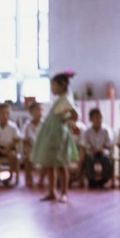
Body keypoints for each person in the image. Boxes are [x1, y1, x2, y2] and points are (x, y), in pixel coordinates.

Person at [32, 71, 79, 203]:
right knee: (50, 164)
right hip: (51, 134)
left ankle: (64, 192)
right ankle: (51, 191)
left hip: (59, 135)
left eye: (53, 86)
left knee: (61, 164)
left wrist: (67, 122)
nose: (52, 89)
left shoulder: (66, 99)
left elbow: (75, 115)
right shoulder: (59, 99)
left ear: (62, 85)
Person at [0, 102, 21, 187]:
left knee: (13, 156)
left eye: (7, 113)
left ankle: (10, 175)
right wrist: (1, 150)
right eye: (2, 113)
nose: (5, 116)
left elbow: (17, 139)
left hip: (10, 147)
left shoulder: (13, 127)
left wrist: (7, 149)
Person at [80, 108, 114, 188]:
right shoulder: (87, 131)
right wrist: (91, 149)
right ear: (91, 119)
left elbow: (109, 143)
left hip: (103, 151)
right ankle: (91, 180)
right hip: (92, 151)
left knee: (106, 159)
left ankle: (104, 179)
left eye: (100, 117)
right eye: (96, 118)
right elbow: (84, 143)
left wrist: (101, 148)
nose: (98, 120)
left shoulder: (106, 130)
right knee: (88, 158)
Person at [21, 102, 44, 188]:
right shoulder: (27, 125)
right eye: (37, 110)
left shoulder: (44, 124)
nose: (40, 112)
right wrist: (28, 148)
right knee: (27, 155)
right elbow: (24, 139)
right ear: (31, 112)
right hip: (31, 148)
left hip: (43, 148)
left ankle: (41, 179)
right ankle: (29, 177)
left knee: (47, 157)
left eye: (41, 110)